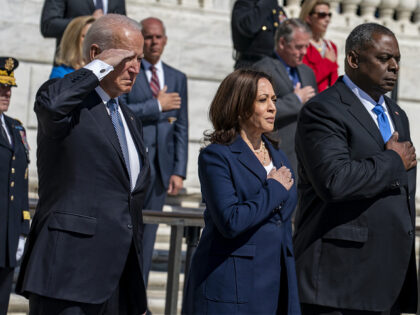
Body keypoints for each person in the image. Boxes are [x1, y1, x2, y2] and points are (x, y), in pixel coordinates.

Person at [16, 14, 150, 315]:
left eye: (139, 60)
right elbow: (52, 106)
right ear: (95, 55)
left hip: (117, 278)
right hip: (68, 274)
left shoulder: (130, 120)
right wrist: (98, 68)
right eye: (126, 57)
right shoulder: (65, 101)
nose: (135, 68)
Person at [293, 23, 417, 314]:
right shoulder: (324, 110)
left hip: (388, 279)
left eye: (397, 59)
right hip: (339, 281)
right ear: (353, 59)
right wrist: (392, 161)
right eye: (384, 58)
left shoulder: (398, 114)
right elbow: (334, 181)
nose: (394, 66)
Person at [182, 69, 301, 315]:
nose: (272, 108)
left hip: (278, 282)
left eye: (274, 100)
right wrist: (274, 188)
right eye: (262, 100)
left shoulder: (278, 155)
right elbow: (231, 220)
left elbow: (282, 219)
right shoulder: (217, 156)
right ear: (239, 107)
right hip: (233, 286)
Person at [121, 17, 188, 292]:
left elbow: (182, 126)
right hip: (131, 166)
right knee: (126, 236)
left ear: (166, 40)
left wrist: (179, 170)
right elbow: (121, 112)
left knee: (148, 241)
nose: (154, 42)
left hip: (161, 172)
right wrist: (156, 106)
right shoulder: (128, 72)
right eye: (148, 37)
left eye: (158, 37)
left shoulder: (176, 77)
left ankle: (138, 300)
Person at [253, 18, 317, 175]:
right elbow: (256, 110)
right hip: (275, 152)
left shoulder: (308, 72)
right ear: (282, 43)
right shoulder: (263, 68)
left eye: (306, 46)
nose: (304, 52)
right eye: (298, 47)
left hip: (306, 155)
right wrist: (296, 100)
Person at [0, 57, 30, 315]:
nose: (6, 93)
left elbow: (20, 183)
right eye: (0, 87)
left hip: (8, 237)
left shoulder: (15, 127)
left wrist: (22, 228)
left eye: (8, 87)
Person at [40, 0, 126, 62]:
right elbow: (48, 25)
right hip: (71, 65)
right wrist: (88, 22)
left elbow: (123, 26)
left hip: (106, 67)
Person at [231, 0, 287, 69]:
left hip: (274, 66)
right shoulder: (244, 4)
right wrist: (267, 3)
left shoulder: (277, 8)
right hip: (250, 65)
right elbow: (249, 27)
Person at [299, 0, 338, 92]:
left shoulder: (331, 46)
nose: (327, 19)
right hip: (311, 101)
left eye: (329, 15)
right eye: (322, 15)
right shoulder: (301, 46)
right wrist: (328, 62)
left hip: (330, 101)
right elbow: (306, 79)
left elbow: (334, 80)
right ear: (308, 17)